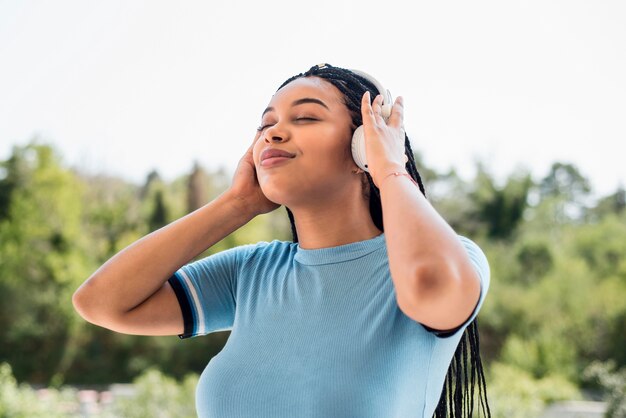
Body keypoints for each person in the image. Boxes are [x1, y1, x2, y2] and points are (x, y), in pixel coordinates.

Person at [73, 63, 491, 418]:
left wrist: (391, 169)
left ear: (364, 144)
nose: (273, 134)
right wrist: (236, 205)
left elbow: (430, 286)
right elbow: (100, 302)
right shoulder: (252, 272)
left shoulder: (452, 259)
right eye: (266, 124)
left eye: (305, 118)